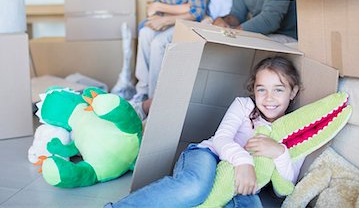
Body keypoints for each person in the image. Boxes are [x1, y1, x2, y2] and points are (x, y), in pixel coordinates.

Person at [105, 56, 303, 208]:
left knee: (251, 204)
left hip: (239, 184)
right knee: (196, 187)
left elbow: (282, 190)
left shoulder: (293, 129)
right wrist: (243, 161)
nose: (269, 98)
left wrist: (279, 152)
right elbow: (221, 138)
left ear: (293, 92)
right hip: (207, 155)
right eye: (262, 90)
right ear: (254, 90)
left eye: (278, 90)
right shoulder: (244, 106)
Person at [132, 0, 206, 119]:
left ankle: (155, 98)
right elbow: (159, 12)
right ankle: (142, 90)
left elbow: (196, 12)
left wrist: (164, 19)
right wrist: (155, 18)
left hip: (189, 25)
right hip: (169, 23)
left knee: (158, 43)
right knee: (145, 32)